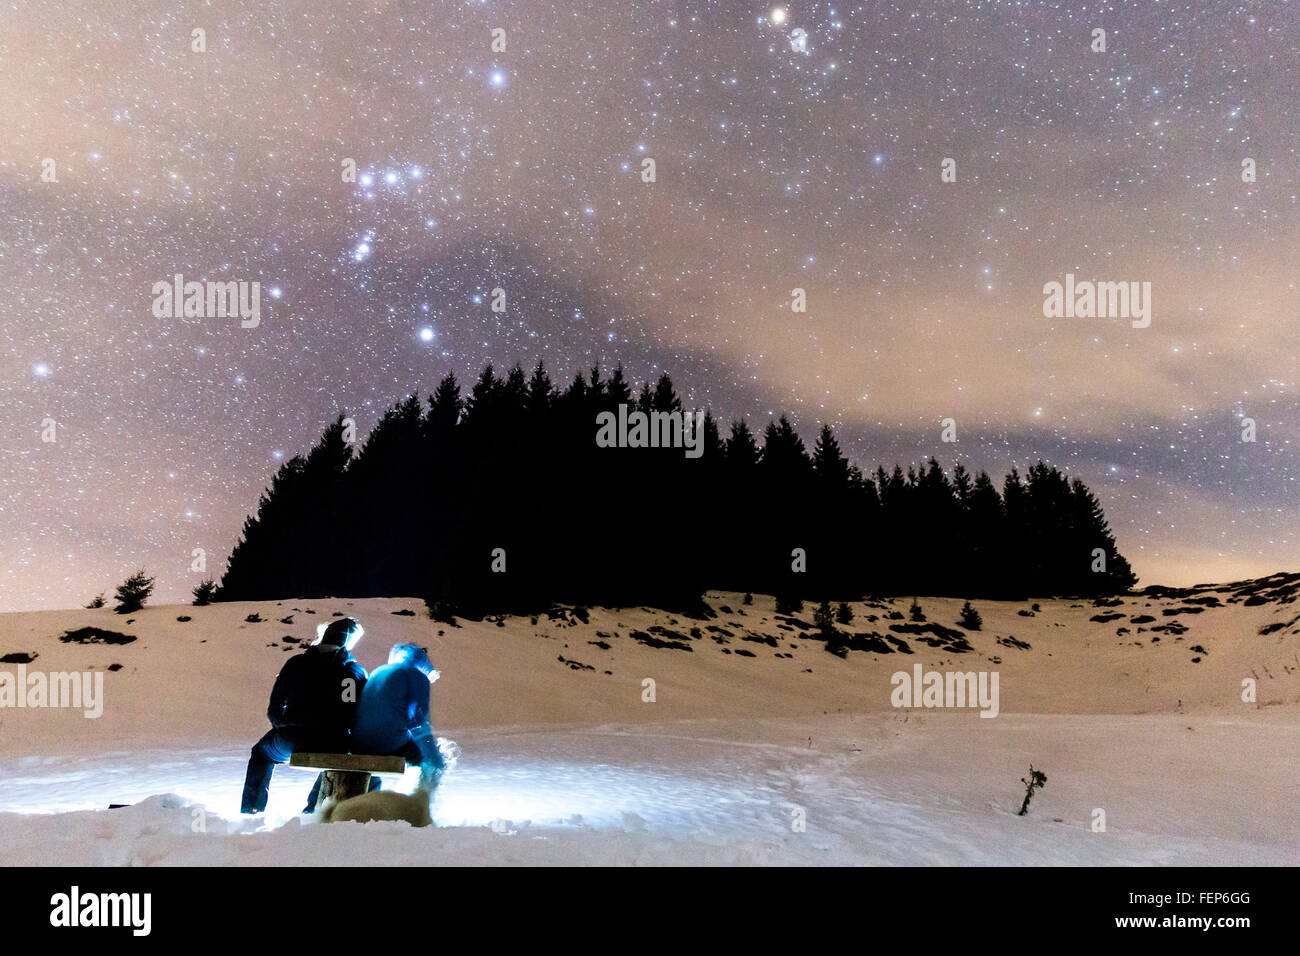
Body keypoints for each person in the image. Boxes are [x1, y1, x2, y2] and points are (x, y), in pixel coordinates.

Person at [240, 617, 368, 814]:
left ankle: (252, 810)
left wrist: (283, 727)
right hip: (331, 742)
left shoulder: (295, 664)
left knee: (262, 753)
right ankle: (311, 810)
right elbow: (350, 711)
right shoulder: (350, 672)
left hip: (291, 738)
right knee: (339, 759)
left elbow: (275, 705)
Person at [351, 643, 445, 792]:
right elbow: (419, 722)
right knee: (428, 761)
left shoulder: (378, 671)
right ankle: (418, 801)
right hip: (386, 742)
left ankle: (368, 796)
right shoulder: (416, 675)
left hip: (357, 743)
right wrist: (435, 759)